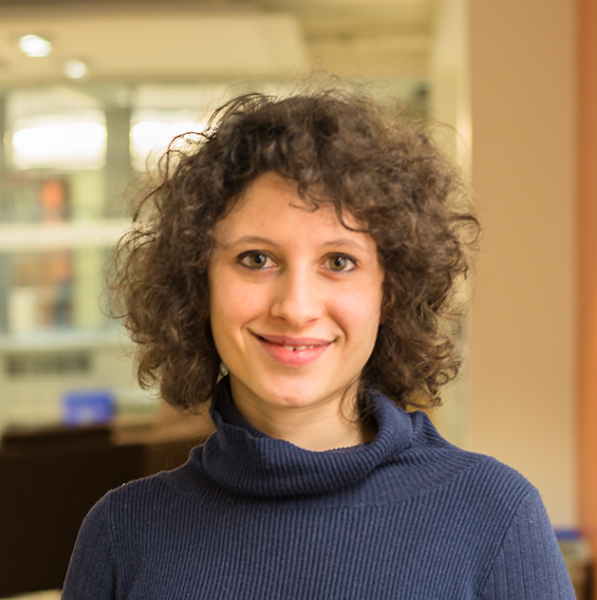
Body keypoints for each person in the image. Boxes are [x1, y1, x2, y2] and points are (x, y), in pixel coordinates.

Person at [62, 88, 575, 599]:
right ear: (199, 285)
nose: (296, 306)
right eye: (256, 259)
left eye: (339, 262)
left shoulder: (494, 517)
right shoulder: (122, 534)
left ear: (390, 291)